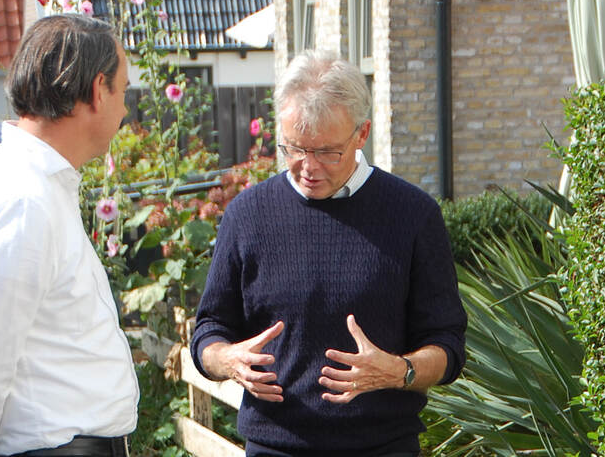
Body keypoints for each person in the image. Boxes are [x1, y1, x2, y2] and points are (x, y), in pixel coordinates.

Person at [190, 50, 467, 457]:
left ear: (362, 134)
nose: (308, 166)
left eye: (327, 152)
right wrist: (227, 359)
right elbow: (208, 331)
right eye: (294, 149)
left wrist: (399, 371)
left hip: (383, 448)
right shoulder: (247, 216)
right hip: (273, 448)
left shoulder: (414, 215)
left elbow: (448, 345)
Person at [0, 14, 138, 457]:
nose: (125, 108)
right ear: (96, 90)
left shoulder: (38, 188)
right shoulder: (24, 200)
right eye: (123, 90)